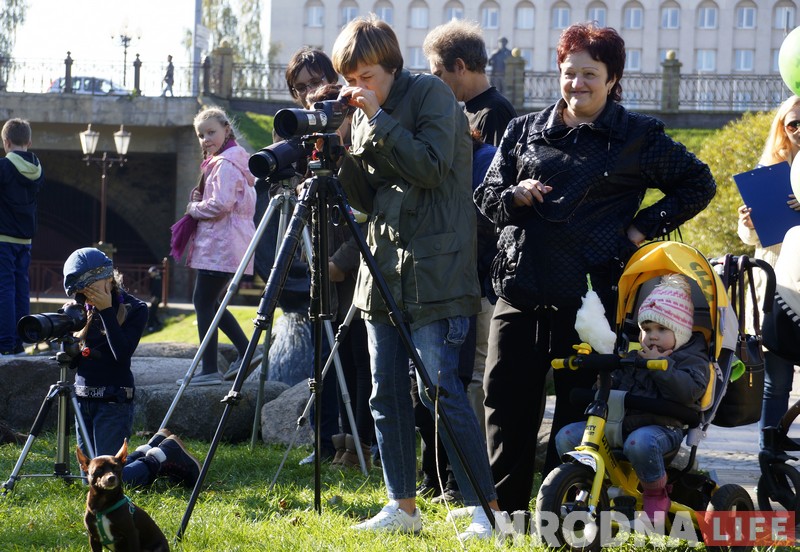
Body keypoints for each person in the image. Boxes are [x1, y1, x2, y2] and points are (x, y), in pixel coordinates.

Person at [474, 22, 716, 515]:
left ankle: (562, 510)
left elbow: (698, 182)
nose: (577, 83)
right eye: (568, 73)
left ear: (612, 78)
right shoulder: (524, 130)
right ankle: (501, 512)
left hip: (590, 303)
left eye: (590, 73)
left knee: (579, 411)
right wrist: (514, 195)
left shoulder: (637, 136)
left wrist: (641, 229)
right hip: (519, 293)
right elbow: (485, 200)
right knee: (504, 406)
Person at [332, 15, 505, 540]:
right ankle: (402, 505)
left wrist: (377, 119)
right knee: (384, 394)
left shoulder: (431, 94)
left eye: (365, 75)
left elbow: (430, 167)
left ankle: (487, 509)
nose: (356, 88)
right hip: (382, 270)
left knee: (441, 391)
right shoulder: (364, 112)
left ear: (390, 66)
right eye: (350, 78)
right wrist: (338, 153)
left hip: (435, 271)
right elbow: (365, 200)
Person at [555, 274, 709, 520]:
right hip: (621, 424)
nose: (653, 336)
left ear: (680, 333)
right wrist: (606, 377)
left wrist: (663, 366)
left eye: (661, 329)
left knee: (640, 443)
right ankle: (587, 486)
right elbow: (617, 385)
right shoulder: (634, 356)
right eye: (646, 329)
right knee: (567, 435)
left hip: (663, 428)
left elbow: (688, 391)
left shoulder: (692, 359)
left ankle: (655, 493)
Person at [63, 247, 200, 488]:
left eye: (90, 289)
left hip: (112, 400)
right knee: (91, 476)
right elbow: (77, 360)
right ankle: (154, 448)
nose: (86, 297)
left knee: (104, 482)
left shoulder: (136, 309)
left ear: (108, 278)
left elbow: (121, 355)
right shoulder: (79, 310)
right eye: (80, 293)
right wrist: (70, 347)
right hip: (83, 398)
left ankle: (163, 457)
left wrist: (105, 309)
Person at [179, 106, 257, 386]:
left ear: (226, 129)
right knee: (211, 301)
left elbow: (221, 205)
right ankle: (246, 349)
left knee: (203, 301)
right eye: (200, 135)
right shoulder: (236, 162)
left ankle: (210, 369)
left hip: (221, 244)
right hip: (232, 242)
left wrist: (193, 208)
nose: (205, 139)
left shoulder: (224, 164)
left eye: (211, 132)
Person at [737, 95, 800, 444]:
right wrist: (747, 221)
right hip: (776, 287)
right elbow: (752, 238)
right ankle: (770, 460)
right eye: (793, 123)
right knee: (776, 383)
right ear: (782, 127)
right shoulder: (769, 170)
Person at [423, 20, 517, 147]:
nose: (437, 83)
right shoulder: (467, 111)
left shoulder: (494, 112)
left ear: (460, 66)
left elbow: (490, 165)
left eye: (439, 75)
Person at [0, 118, 44, 356]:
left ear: (6, 142)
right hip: (25, 241)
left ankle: (5, 343)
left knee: (3, 289)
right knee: (20, 288)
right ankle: (21, 340)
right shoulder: (38, 169)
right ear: (29, 141)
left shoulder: (4, 168)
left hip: (3, 239)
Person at [146, 264, 163, 332]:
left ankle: (150, 326)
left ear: (154, 272)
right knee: (153, 311)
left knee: (152, 312)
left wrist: (154, 297)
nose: (150, 275)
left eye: (151, 273)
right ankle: (158, 324)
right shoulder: (156, 277)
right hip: (155, 297)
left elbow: (157, 289)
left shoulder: (157, 278)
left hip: (156, 298)